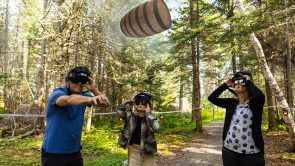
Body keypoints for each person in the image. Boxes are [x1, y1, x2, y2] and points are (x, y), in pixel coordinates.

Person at [41, 66, 110, 166]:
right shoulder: (57, 93)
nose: (79, 83)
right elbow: (68, 100)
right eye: (75, 80)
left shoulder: (84, 96)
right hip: (53, 153)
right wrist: (90, 100)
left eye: (82, 81)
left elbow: (106, 104)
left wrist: (94, 90)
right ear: (68, 80)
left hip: (74, 152)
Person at [208, 70, 265, 166]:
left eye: (242, 81)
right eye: (236, 81)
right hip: (229, 152)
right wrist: (225, 85)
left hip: (251, 154)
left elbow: (260, 96)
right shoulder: (231, 103)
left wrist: (248, 81)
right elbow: (212, 98)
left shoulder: (255, 103)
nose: (238, 83)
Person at [117, 92, 159, 166]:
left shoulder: (150, 119)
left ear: (148, 105)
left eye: (143, 102)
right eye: (138, 102)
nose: (140, 104)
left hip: (148, 153)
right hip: (134, 153)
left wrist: (148, 114)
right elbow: (120, 110)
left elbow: (156, 127)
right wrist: (131, 101)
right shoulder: (130, 117)